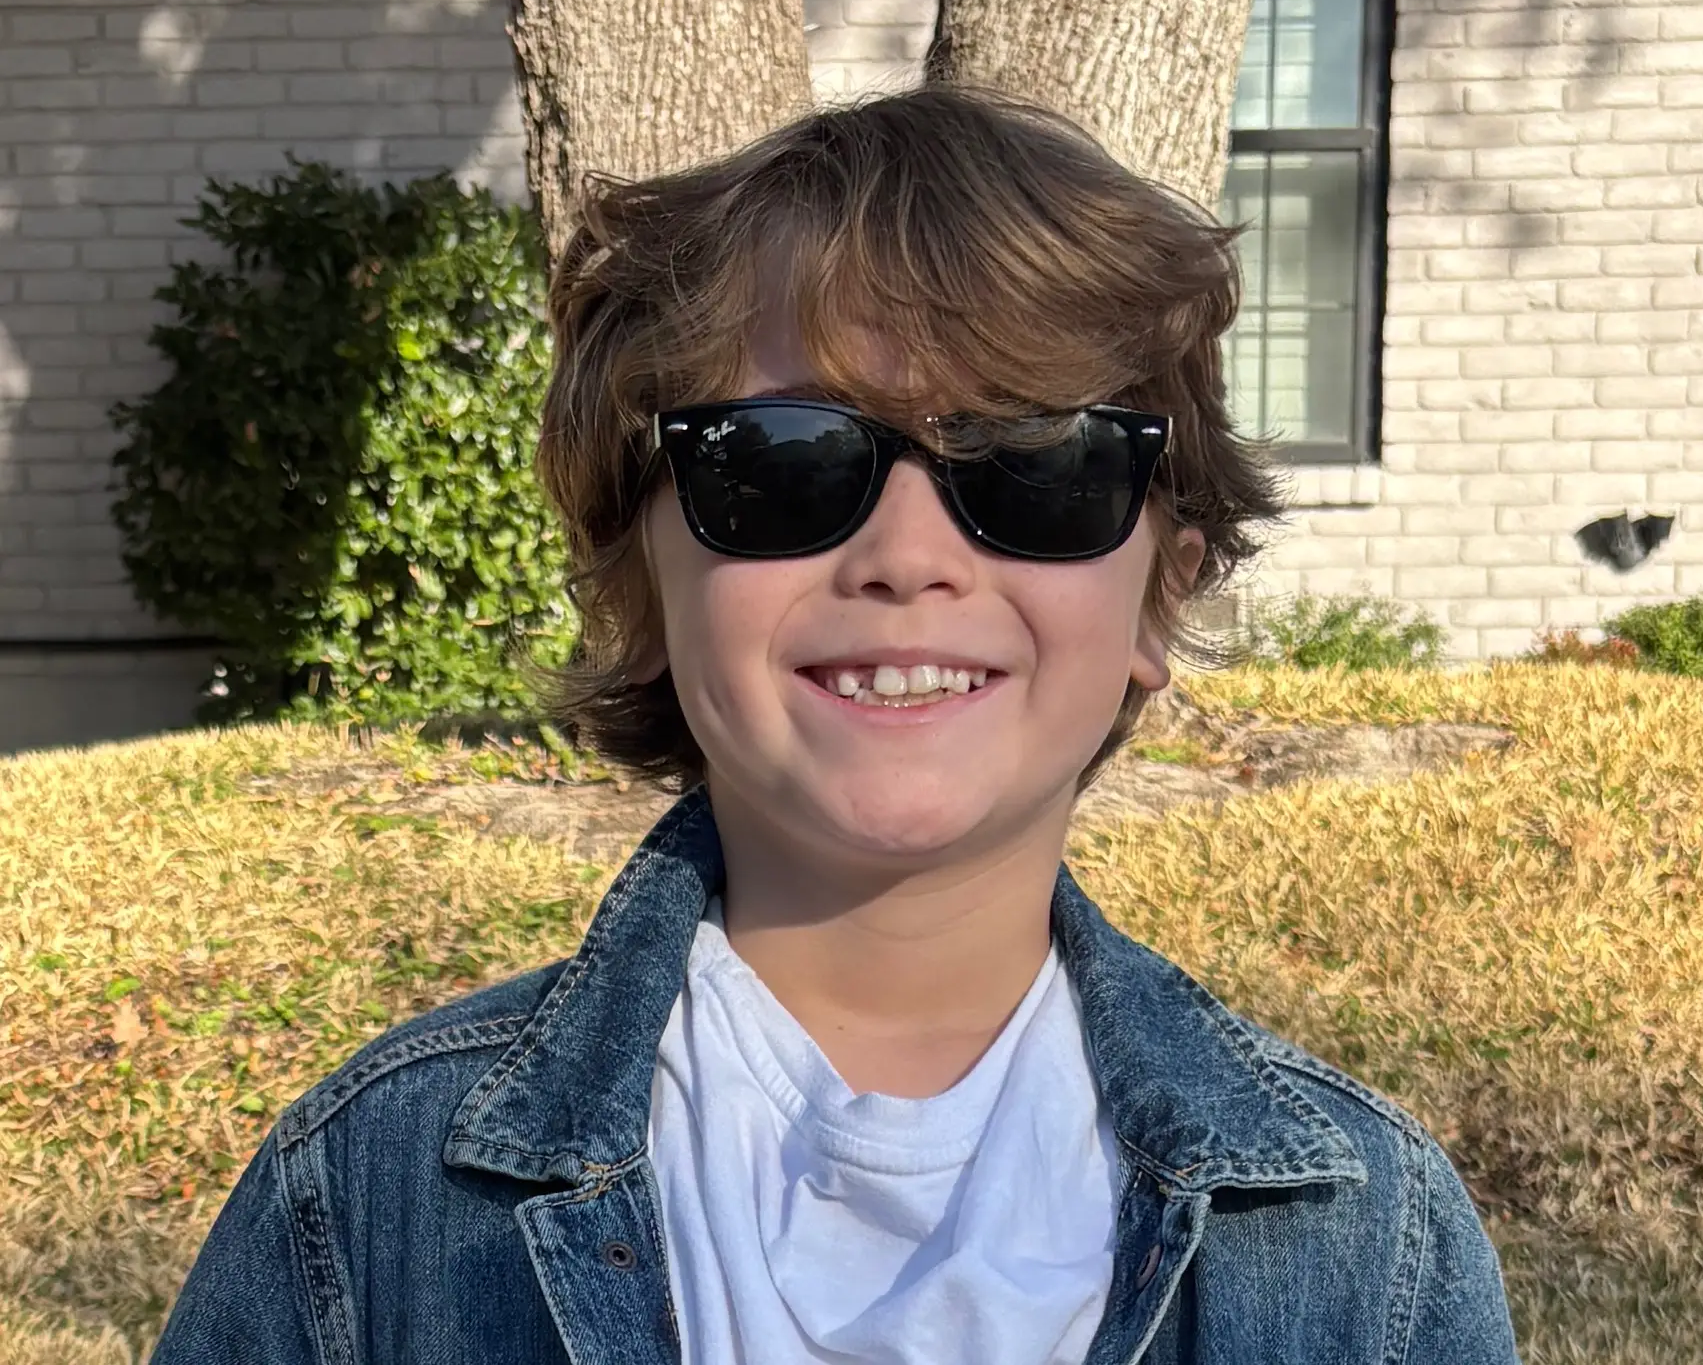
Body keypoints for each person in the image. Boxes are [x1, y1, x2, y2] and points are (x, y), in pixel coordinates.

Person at [150, 86, 1519, 1365]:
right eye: (783, 461)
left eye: (1036, 461)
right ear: (639, 585)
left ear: (1160, 596)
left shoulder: (1364, 1241)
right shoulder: (368, 1198)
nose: (907, 557)